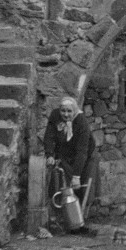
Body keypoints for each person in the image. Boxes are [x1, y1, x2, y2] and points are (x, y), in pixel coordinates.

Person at [44, 96, 97, 235]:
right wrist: (49, 154)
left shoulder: (82, 123)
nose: (66, 114)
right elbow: (49, 136)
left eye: (69, 111)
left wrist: (76, 176)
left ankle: (80, 222)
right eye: (63, 111)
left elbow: (82, 151)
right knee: (61, 183)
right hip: (66, 154)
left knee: (82, 186)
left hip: (85, 156)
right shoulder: (55, 115)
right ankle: (62, 219)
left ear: (75, 111)